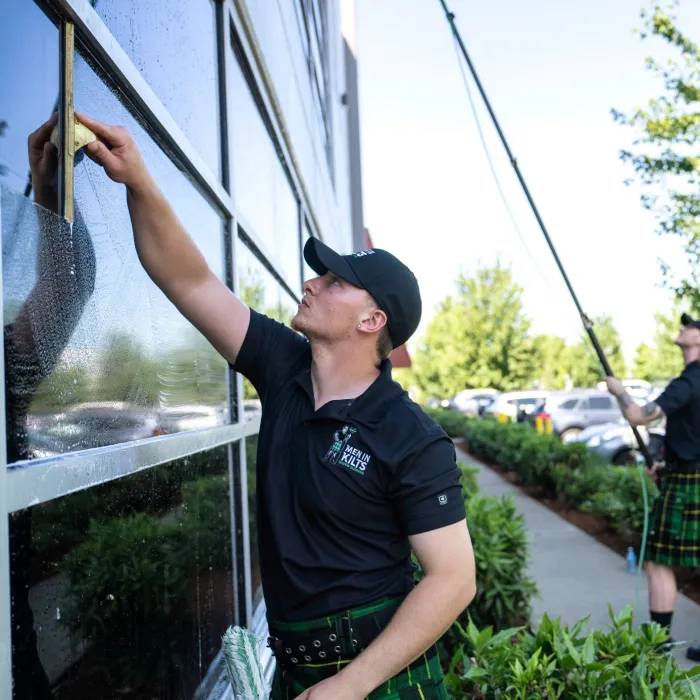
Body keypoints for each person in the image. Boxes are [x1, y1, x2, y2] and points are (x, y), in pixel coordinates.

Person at [77, 112, 477, 700]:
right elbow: (188, 281)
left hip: (379, 677)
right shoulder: (283, 366)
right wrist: (138, 179)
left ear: (372, 321)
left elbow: (454, 580)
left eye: (335, 281)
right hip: (297, 667)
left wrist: (351, 684)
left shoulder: (410, 435)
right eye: (320, 274)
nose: (312, 283)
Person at [605, 312, 700, 661]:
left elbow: (638, 416)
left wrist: (620, 392)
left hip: (690, 481)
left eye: (693, 325)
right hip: (684, 473)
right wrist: (667, 464)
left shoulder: (689, 381)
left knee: (658, 561)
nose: (685, 326)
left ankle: (659, 641)